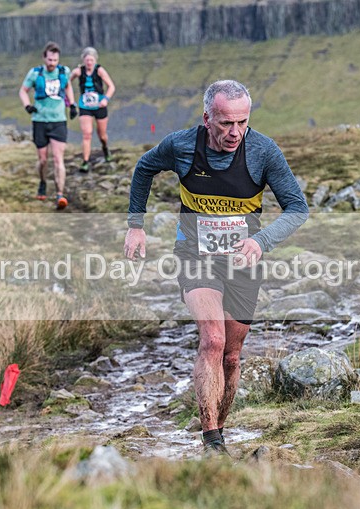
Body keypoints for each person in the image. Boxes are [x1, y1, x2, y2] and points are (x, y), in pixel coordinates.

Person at [124, 80, 309, 456]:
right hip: (195, 255)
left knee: (232, 355)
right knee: (212, 338)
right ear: (207, 117)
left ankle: (220, 431)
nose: (235, 133)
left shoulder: (262, 151)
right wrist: (135, 225)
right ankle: (210, 440)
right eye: (226, 123)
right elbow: (143, 168)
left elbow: (297, 208)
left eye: (242, 122)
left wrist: (261, 241)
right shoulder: (180, 146)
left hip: (243, 261)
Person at [19, 41, 76, 210]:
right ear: (44, 58)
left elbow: (68, 87)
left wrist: (72, 104)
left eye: (55, 60)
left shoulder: (63, 71)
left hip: (58, 120)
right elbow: (23, 90)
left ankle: (60, 194)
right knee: (43, 160)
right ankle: (43, 182)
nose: (52, 63)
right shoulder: (35, 73)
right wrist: (27, 106)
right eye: (50, 60)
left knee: (59, 159)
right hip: (40, 121)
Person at [70, 47, 116, 172]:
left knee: (102, 135)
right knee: (87, 134)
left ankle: (105, 149)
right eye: (87, 60)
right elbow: (66, 83)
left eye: (91, 60)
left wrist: (106, 99)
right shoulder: (78, 71)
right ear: (83, 60)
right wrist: (70, 100)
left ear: (95, 60)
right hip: (85, 106)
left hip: (100, 106)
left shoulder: (100, 70)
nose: (89, 62)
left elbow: (111, 86)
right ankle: (85, 161)